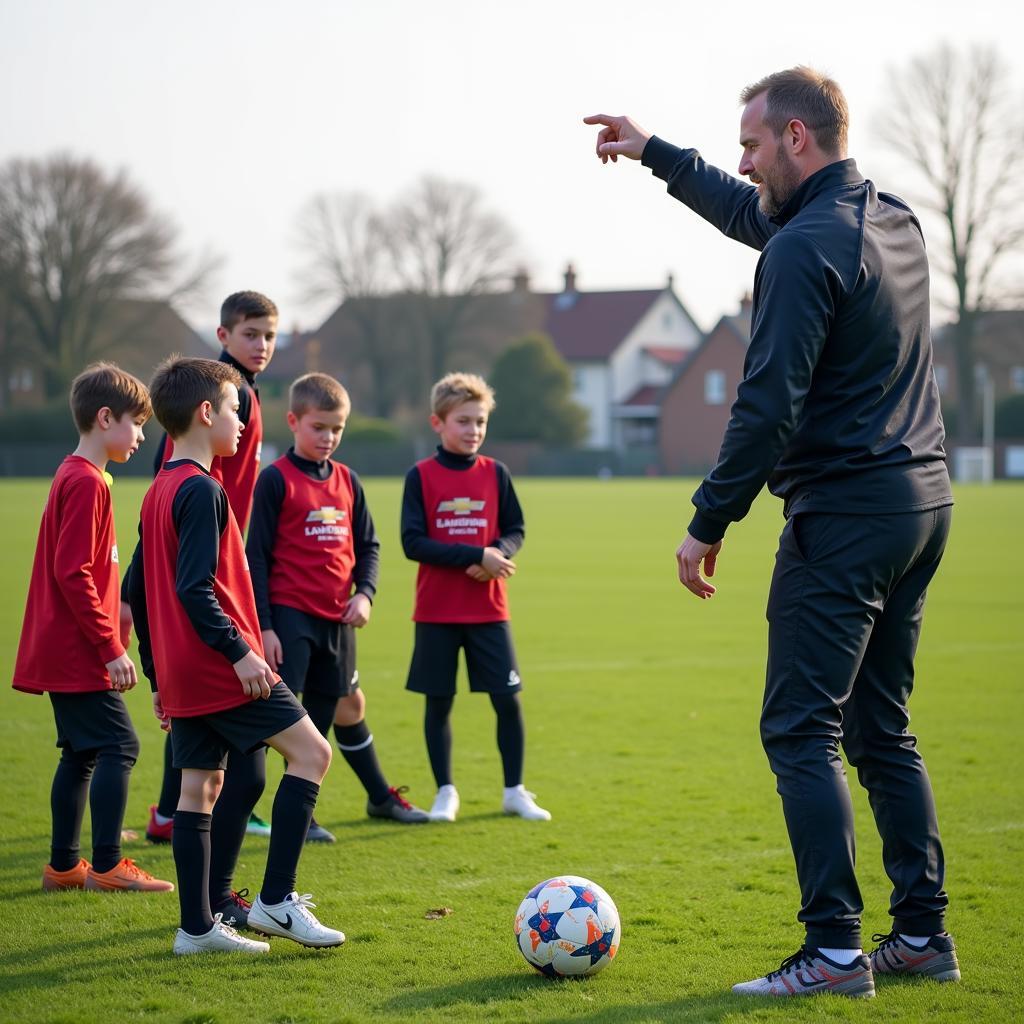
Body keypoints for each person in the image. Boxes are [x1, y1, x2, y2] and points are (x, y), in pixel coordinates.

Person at [586, 66, 958, 999]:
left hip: (845, 516)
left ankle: (834, 953)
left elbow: (765, 405)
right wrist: (657, 154)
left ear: (797, 138)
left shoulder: (802, 248)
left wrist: (707, 520)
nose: (745, 163)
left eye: (752, 145)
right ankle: (920, 937)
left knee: (801, 730)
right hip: (924, 505)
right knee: (883, 731)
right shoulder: (892, 220)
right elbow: (757, 217)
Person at [127, 356, 343, 955]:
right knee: (313, 753)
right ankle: (276, 901)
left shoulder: (158, 489)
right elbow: (191, 589)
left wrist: (157, 676)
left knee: (199, 789)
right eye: (233, 410)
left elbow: (141, 595)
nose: (243, 424)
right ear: (205, 413)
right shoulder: (200, 489)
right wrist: (241, 654)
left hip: (183, 671)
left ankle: (196, 930)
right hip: (223, 667)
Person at [247, 372, 429, 839]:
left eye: (337, 429)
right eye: (319, 427)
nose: (328, 437)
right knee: (282, 719)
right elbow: (257, 558)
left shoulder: (348, 481)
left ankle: (304, 813)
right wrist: (264, 626)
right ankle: (229, 802)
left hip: (339, 621)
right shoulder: (275, 481)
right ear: (293, 421)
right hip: (290, 617)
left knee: (322, 719)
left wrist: (365, 594)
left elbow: (369, 546)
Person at [13, 363, 173, 895]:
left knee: (81, 753)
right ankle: (106, 865)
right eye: (137, 423)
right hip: (77, 648)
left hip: (68, 646)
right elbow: (71, 570)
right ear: (105, 418)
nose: (143, 435)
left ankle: (64, 868)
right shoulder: (84, 482)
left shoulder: (82, 476)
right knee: (120, 745)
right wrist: (110, 647)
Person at [140, 290, 278, 845]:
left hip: (223, 547)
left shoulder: (243, 394)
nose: (262, 345)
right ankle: (206, 817)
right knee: (278, 726)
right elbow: (172, 470)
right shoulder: (223, 393)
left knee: (199, 704)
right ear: (223, 336)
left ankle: (180, 814)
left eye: (270, 335)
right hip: (209, 549)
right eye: (251, 334)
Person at [402, 372, 550, 823]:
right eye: (463, 421)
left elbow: (515, 530)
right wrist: (475, 553)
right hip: (437, 612)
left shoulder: (496, 473)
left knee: (508, 699)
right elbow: (413, 542)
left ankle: (514, 791)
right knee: (439, 702)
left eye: (480, 422)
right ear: (438, 423)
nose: (473, 431)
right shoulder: (420, 476)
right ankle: (446, 791)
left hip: (489, 609)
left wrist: (497, 554)